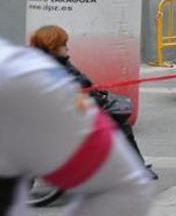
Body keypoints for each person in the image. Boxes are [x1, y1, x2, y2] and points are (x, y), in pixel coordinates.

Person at [0, 34, 154, 216]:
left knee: (122, 128)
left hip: (73, 123)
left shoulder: (14, 78)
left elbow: (121, 188)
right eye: (63, 45)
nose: (67, 49)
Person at [28, 25, 157, 180]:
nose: (67, 48)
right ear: (53, 47)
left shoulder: (51, 62)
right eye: (63, 45)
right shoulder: (51, 67)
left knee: (119, 120)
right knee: (120, 124)